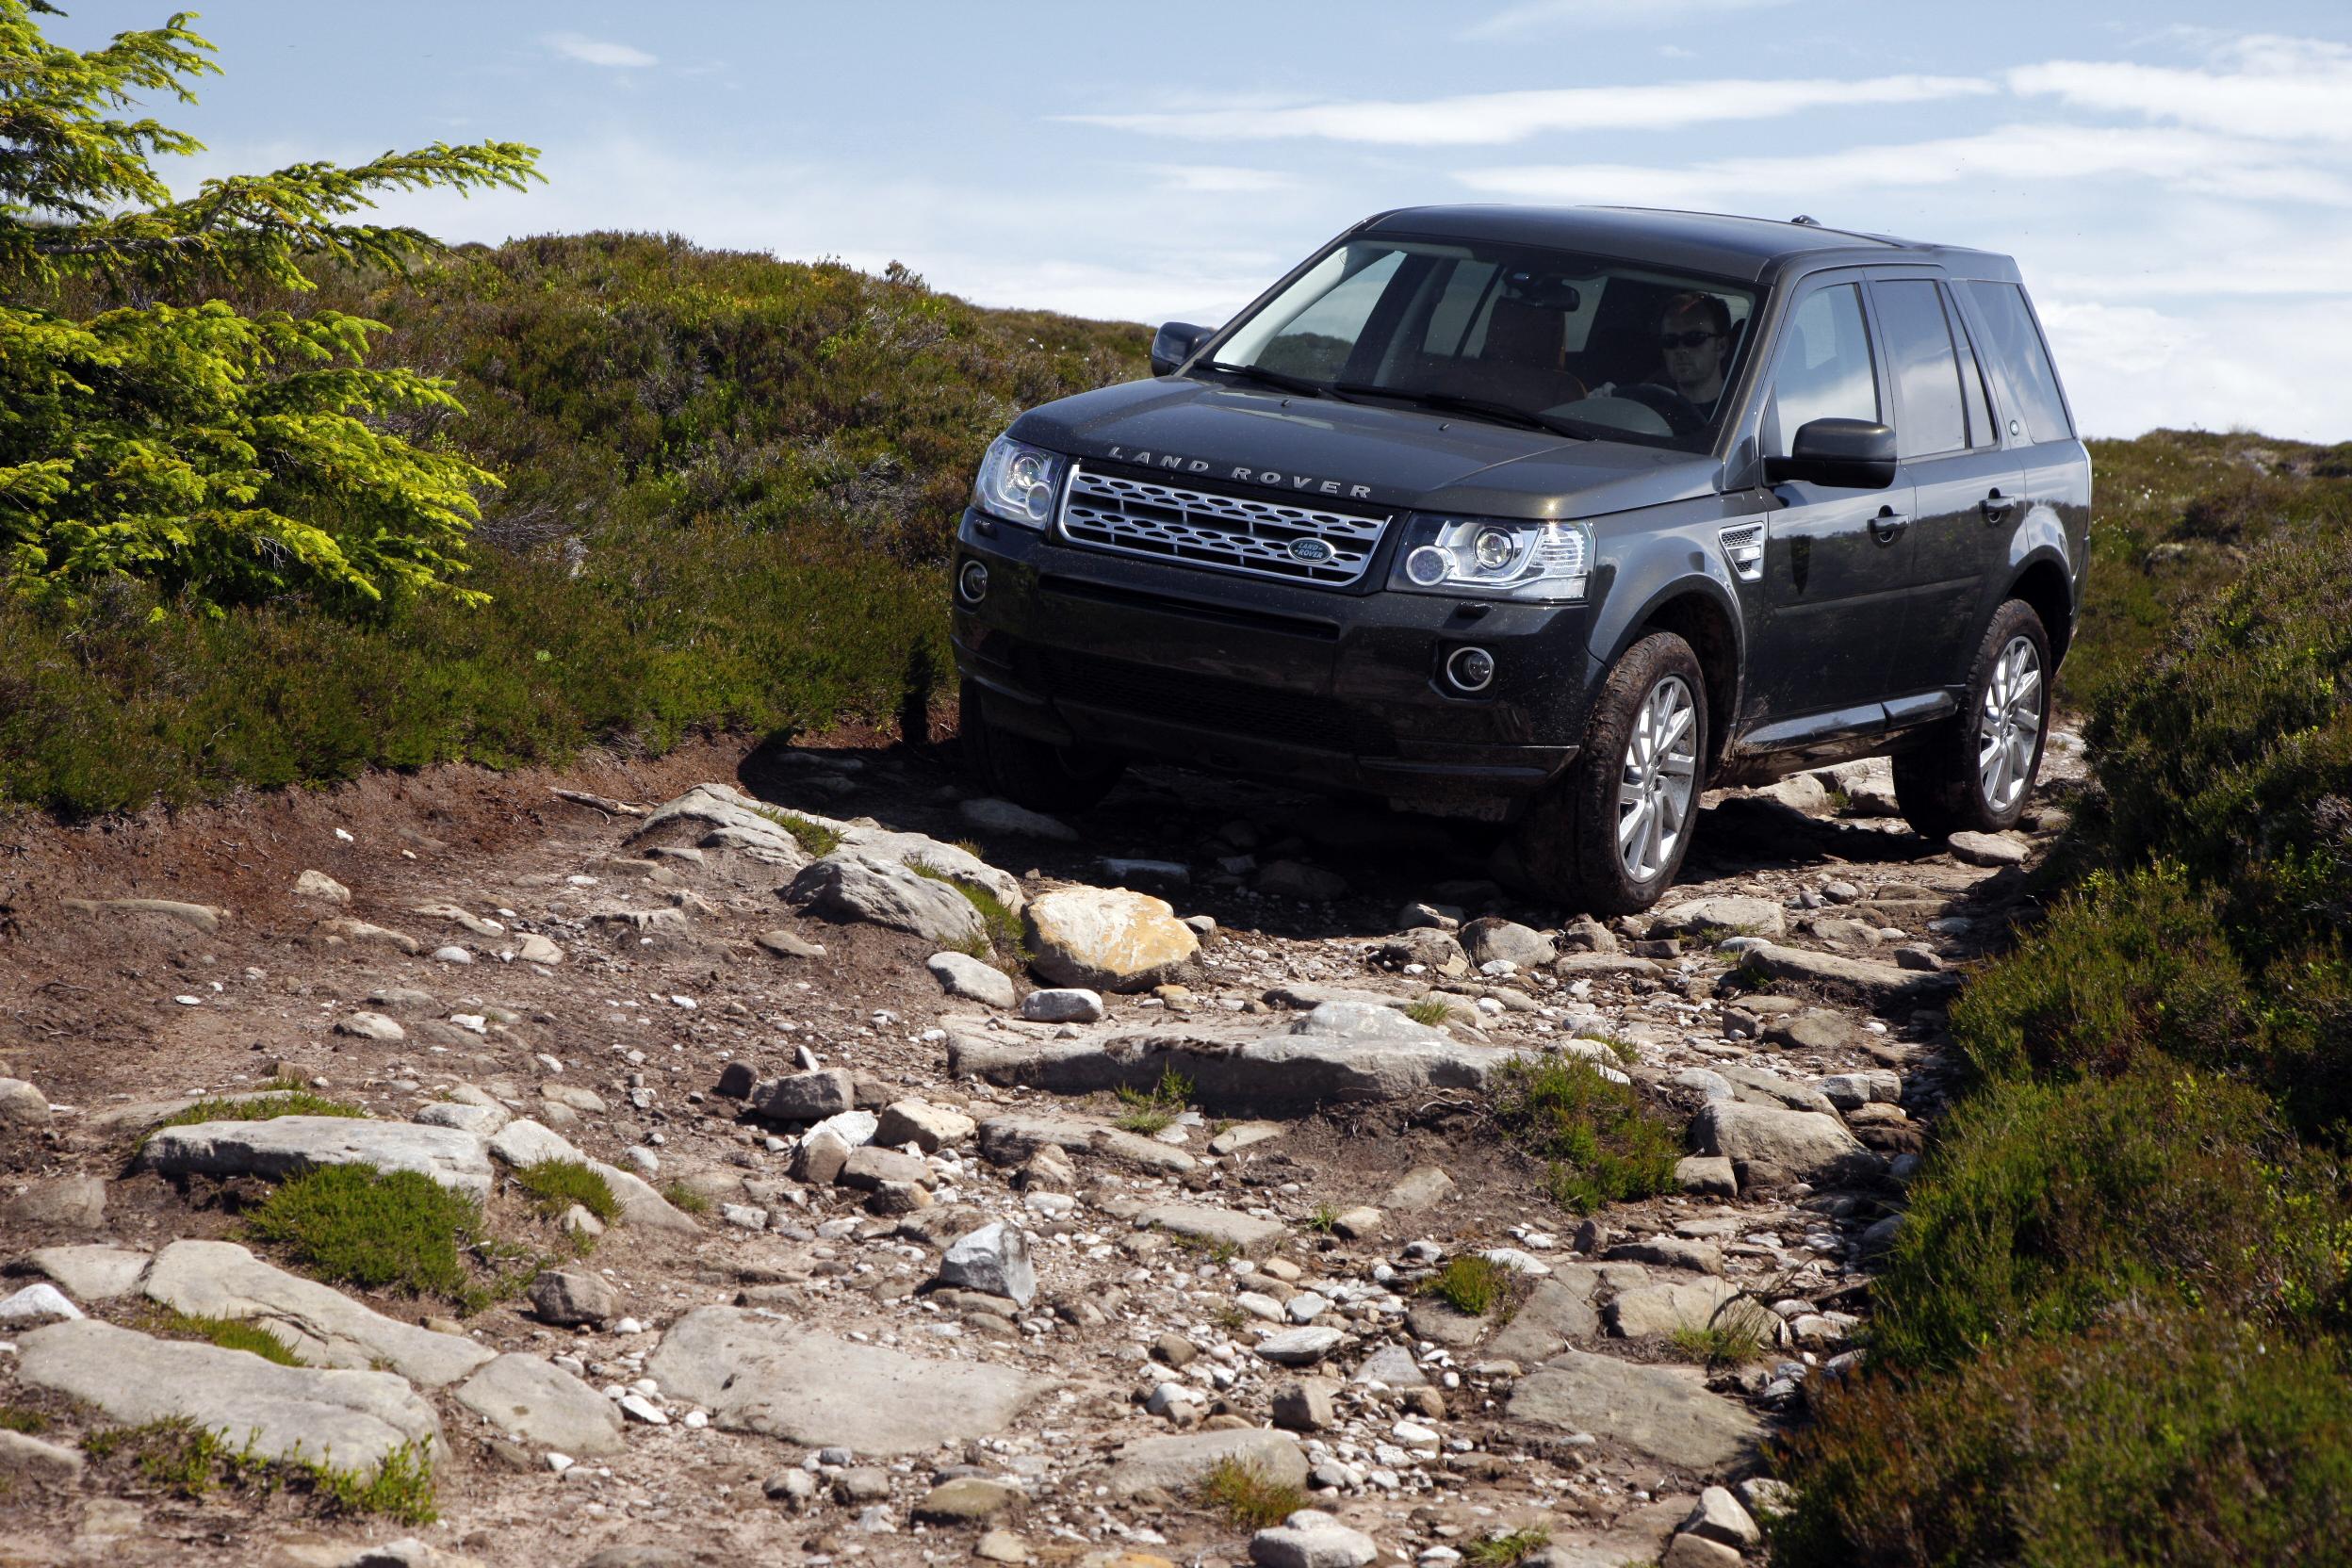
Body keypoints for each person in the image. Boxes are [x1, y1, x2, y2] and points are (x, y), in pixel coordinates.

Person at [1653, 291, 1733, 412]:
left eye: (1694, 338)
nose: (1681, 349)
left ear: (1721, 346)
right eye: (1670, 340)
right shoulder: (1648, 405)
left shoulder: (1743, 410)